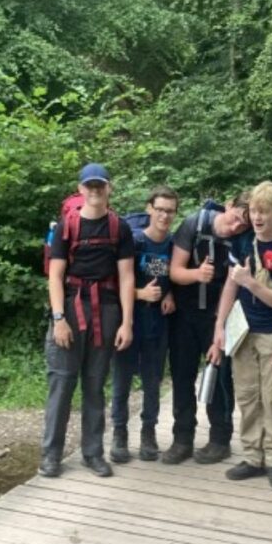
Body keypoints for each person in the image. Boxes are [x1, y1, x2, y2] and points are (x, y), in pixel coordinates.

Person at [38, 163, 135, 478]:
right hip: (69, 307)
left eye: (100, 185)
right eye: (89, 186)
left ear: (109, 188)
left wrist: (127, 323)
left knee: (95, 384)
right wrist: (58, 319)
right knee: (62, 383)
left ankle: (93, 454)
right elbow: (55, 276)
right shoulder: (67, 227)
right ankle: (51, 456)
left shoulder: (119, 228)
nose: (95, 190)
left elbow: (126, 277)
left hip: (105, 310)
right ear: (80, 190)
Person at [210, 182, 272, 489]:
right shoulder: (242, 244)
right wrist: (219, 327)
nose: (258, 217)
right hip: (242, 331)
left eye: (265, 211)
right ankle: (252, 456)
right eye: (253, 211)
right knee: (247, 395)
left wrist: (250, 282)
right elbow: (230, 286)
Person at [164, 192, 251, 465]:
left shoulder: (243, 239)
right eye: (236, 218)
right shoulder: (194, 224)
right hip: (185, 314)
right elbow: (175, 270)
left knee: (220, 376)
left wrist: (220, 326)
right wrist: (196, 274)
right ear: (229, 205)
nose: (236, 227)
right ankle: (182, 439)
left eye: (243, 225)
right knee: (182, 375)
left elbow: (235, 284)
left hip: (219, 316)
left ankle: (220, 440)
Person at [109, 187, 178, 463]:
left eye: (170, 211)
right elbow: (114, 281)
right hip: (129, 320)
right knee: (121, 380)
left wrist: (170, 294)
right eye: (159, 209)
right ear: (149, 208)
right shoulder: (133, 241)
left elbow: (171, 277)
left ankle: (148, 434)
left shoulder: (173, 244)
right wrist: (140, 294)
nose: (164, 216)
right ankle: (119, 434)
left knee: (152, 381)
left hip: (157, 324)